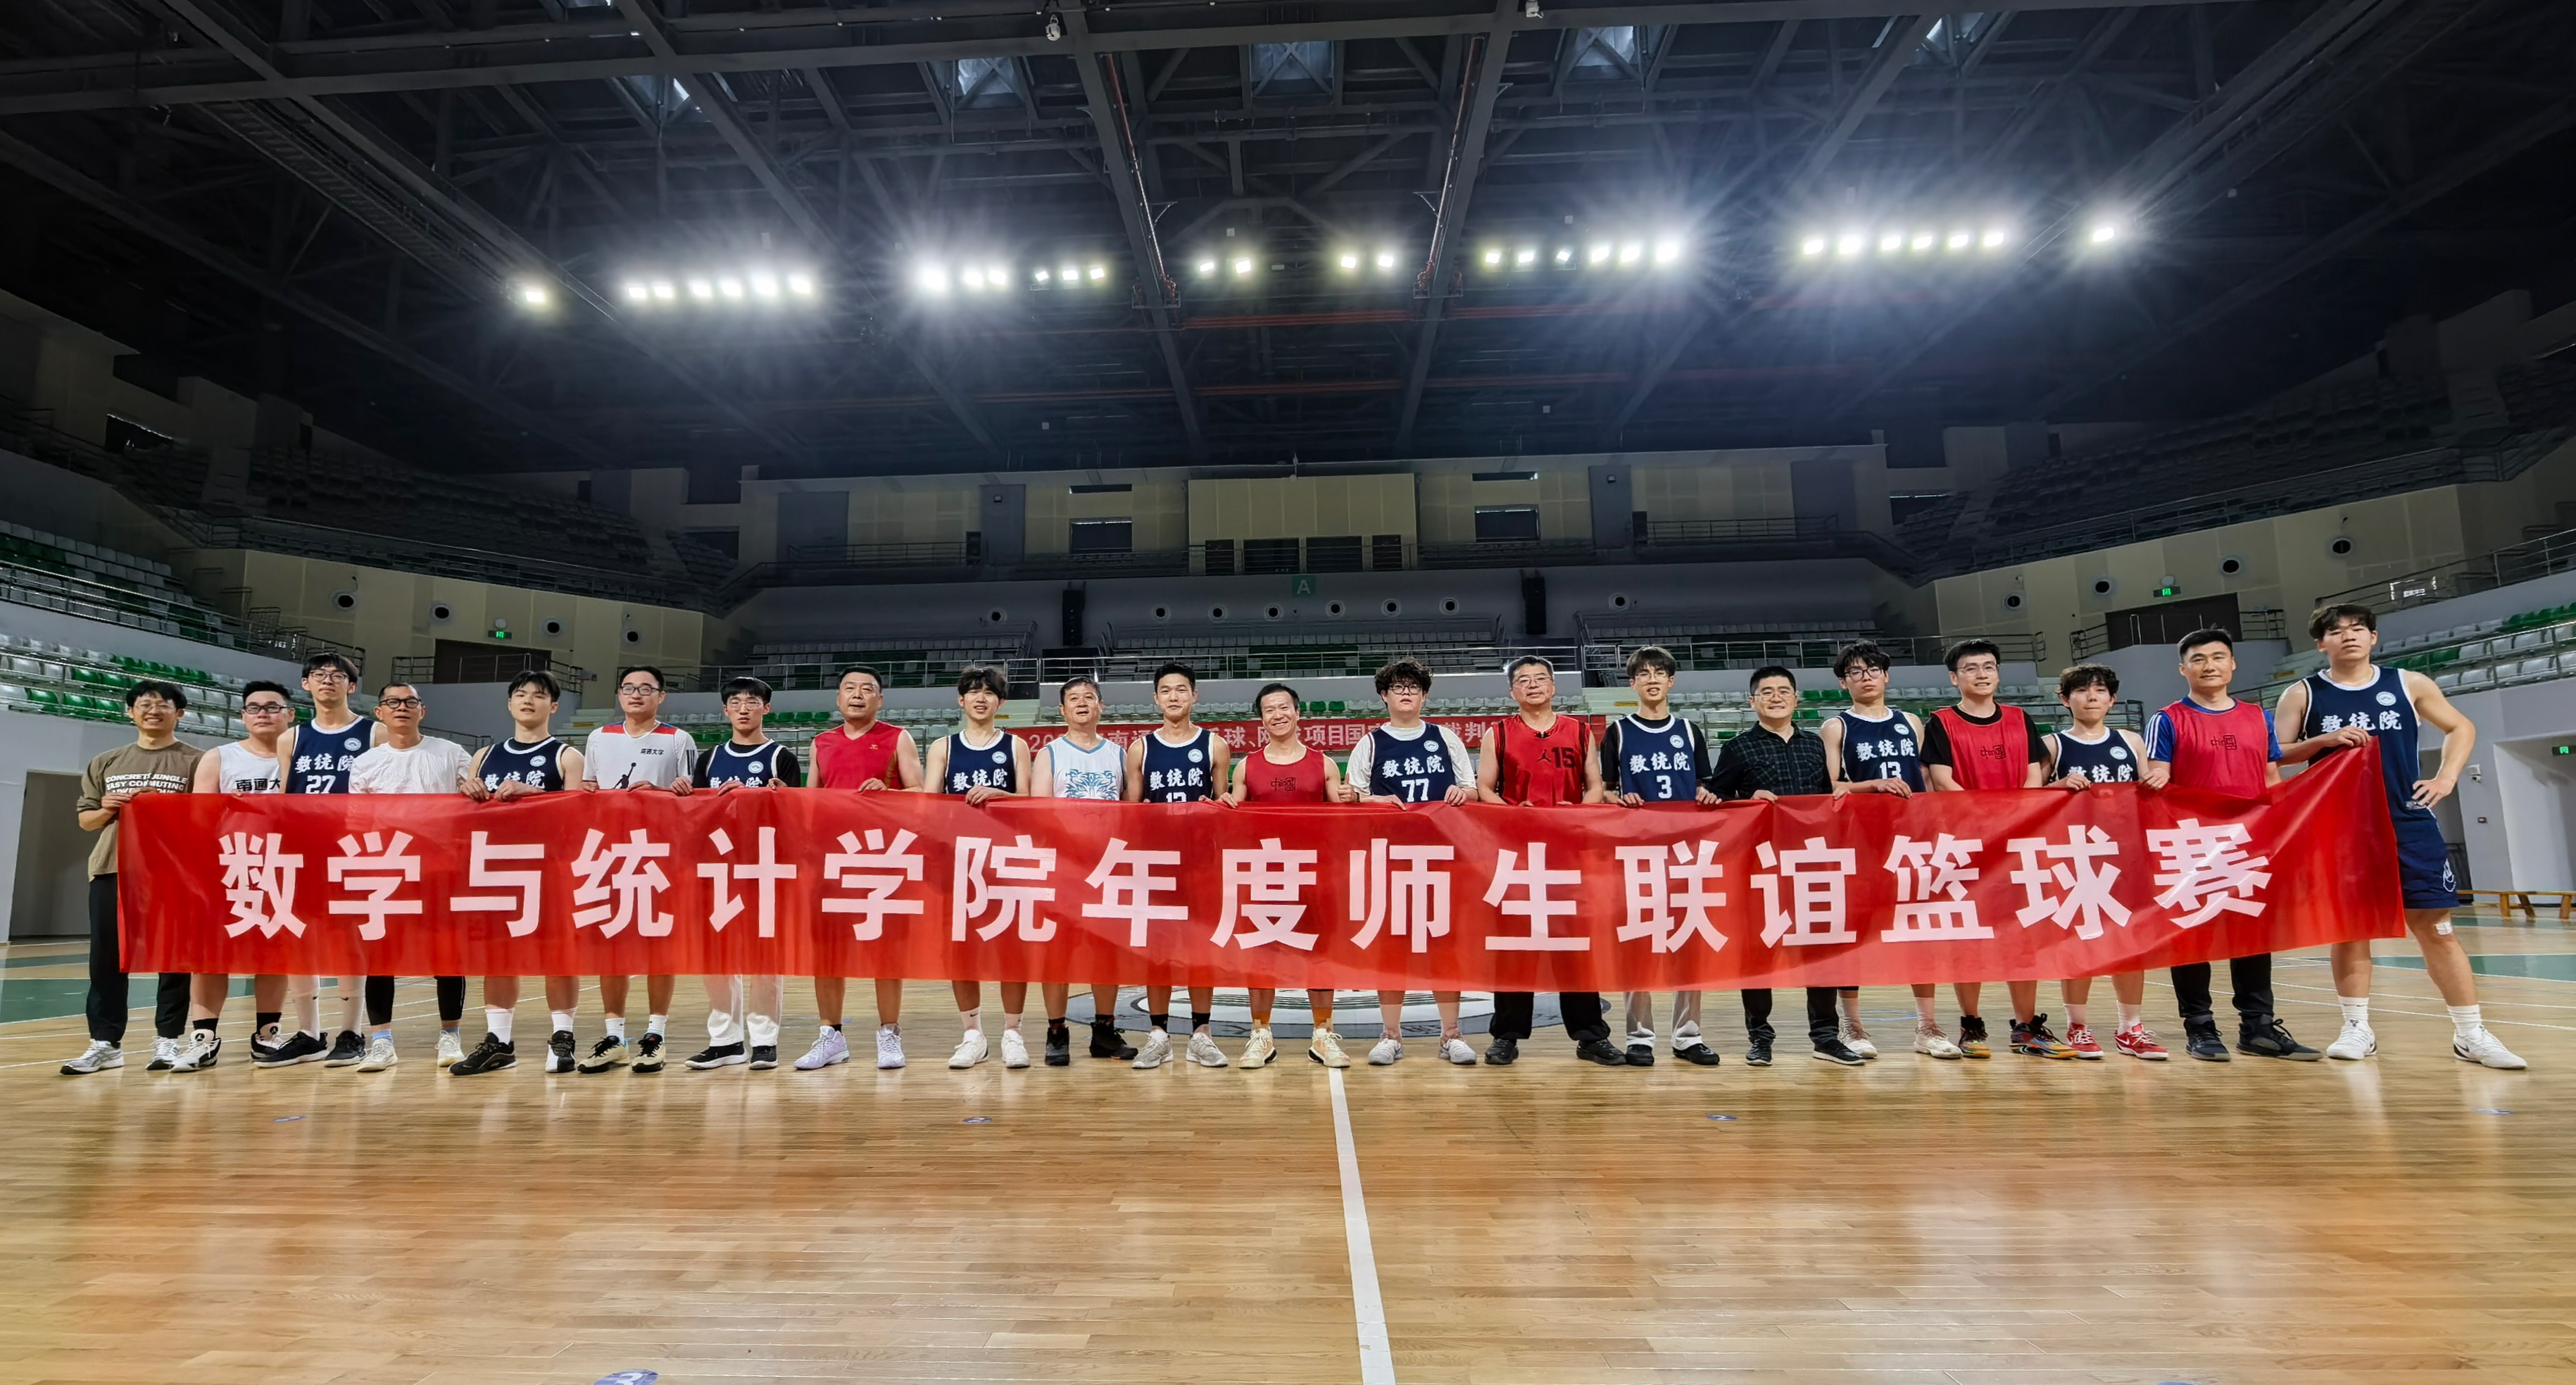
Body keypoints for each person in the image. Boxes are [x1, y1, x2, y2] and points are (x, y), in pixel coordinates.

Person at [2275, 605, 2523, 1070]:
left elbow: (2461, 726)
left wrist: (2447, 777)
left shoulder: (2409, 684)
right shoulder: (2302, 693)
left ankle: (2470, 1033)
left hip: (2406, 821)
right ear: (2321, 644)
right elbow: (2276, 753)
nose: (2348, 636)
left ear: (2373, 637)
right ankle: (2357, 1027)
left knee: (2436, 927)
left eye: (2357, 629)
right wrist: (2321, 742)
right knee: (2350, 929)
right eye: (2336, 631)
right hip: (2340, 826)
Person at [2142, 629, 2317, 1063]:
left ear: (2233, 664)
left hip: (2248, 842)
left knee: (2253, 934)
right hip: (2191, 845)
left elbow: (2271, 777)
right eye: (2199, 659)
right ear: (2183, 669)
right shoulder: (2167, 719)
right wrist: (2154, 780)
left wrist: (2279, 830)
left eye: (2218, 657)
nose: (2210, 666)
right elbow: (2158, 777)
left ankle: (2258, 1027)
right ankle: (2200, 1027)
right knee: (2192, 936)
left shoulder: (2257, 717)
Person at [1705, 666, 1866, 1067]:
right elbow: (1714, 802)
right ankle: (1760, 1038)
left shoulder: (1816, 746)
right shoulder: (1738, 748)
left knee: (1821, 949)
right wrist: (1747, 801)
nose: (1775, 697)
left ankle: (1825, 1037)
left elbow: (1834, 795)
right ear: (1752, 701)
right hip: (1760, 865)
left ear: (1796, 699)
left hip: (1813, 863)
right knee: (1759, 952)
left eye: (1783, 691)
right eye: (1766, 692)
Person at [1921, 639, 2071, 1060]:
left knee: (2023, 935)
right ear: (1954, 678)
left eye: (1988, 666)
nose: (1981, 674)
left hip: (2018, 843)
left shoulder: (2021, 719)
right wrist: (1987, 822)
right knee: (1969, 936)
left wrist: (2013, 820)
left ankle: (2027, 1027)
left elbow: (2033, 777)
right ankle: (1971, 1024)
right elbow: (1943, 781)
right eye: (1970, 668)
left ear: (1998, 673)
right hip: (1967, 845)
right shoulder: (1941, 722)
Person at [1475, 655, 1623, 1069]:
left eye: (1541, 678)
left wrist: (1577, 814)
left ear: (1554, 687)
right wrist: (1514, 813)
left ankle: (1590, 1036)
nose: (1533, 685)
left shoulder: (1579, 731)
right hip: (1517, 854)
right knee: (1515, 947)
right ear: (1513, 692)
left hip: (1569, 853)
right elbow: (1485, 789)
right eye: (1523, 680)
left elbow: (1595, 786)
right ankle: (1506, 1035)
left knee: (1575, 946)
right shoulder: (1497, 733)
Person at [60, 681, 203, 1076]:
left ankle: (168, 1041)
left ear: (180, 713)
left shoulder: (197, 761)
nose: (153, 710)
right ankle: (106, 1044)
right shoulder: (106, 761)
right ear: (130, 712)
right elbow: (87, 821)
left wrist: (165, 806)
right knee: (106, 959)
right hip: (112, 867)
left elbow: (207, 819)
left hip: (173, 872)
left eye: (163, 705)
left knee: (173, 958)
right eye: (144, 704)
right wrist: (108, 808)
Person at [1341, 658, 1478, 1067]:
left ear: (1424, 696)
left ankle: (1451, 1035)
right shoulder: (1370, 743)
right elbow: (1352, 798)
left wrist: (1462, 794)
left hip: (1441, 855)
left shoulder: (1445, 737)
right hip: (1390, 857)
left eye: (1413, 687)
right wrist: (1374, 800)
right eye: (1398, 687)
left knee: (1443, 945)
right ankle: (1391, 1035)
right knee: (1392, 946)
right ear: (1384, 696)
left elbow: (1471, 789)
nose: (1406, 693)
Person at [168, 680, 305, 1074]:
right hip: (229, 865)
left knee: (275, 953)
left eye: (272, 707)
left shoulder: (302, 759)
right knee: (211, 955)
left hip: (285, 866)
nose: (263, 714)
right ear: (243, 716)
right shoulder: (220, 757)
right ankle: (204, 1037)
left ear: (290, 714)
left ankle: (268, 1033)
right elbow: (200, 817)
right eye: (254, 708)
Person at [452, 670, 584, 1077]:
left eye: (539, 695)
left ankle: (563, 1036)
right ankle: (499, 1041)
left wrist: (537, 795)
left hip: (550, 867)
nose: (529, 700)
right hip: (496, 865)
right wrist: (467, 794)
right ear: (509, 703)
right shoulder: (484, 756)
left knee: (558, 955)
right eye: (521, 694)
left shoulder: (567, 756)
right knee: (497, 955)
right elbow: (467, 816)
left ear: (554, 706)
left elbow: (578, 816)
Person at [1820, 640, 1944, 1059]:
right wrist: (1873, 785)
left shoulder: (1911, 721)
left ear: (1886, 676)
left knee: (1918, 931)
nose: (1866, 676)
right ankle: (1853, 1026)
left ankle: (1927, 1026)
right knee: (1853, 931)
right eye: (1855, 671)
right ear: (1844, 682)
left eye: (1873, 669)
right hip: (1861, 840)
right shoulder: (1837, 726)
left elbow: (1926, 780)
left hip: (1912, 840)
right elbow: (1830, 785)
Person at [1599, 646, 1722, 1067]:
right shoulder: (1618, 731)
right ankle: (1639, 1036)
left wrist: (1706, 794)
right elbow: (1605, 792)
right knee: (1639, 942)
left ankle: (1688, 1036)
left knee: (1688, 940)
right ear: (1632, 683)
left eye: (1659, 673)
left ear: (1671, 681)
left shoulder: (1689, 730)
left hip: (1686, 851)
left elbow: (1705, 785)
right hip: (1636, 851)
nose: (1652, 679)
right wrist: (1619, 799)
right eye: (1644, 674)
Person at [341, 683, 475, 1072]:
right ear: (379, 712)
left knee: (447, 954)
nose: (402, 707)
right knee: (380, 956)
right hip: (386, 868)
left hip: (440, 868)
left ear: (422, 710)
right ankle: (381, 1041)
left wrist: (473, 787)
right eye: (393, 702)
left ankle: (450, 1035)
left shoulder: (451, 753)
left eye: (410, 702)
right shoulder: (366, 763)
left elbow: (476, 795)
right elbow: (356, 822)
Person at [799, 664, 923, 1071]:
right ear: (838, 698)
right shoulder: (821, 742)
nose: (857, 694)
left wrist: (889, 793)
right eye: (849, 688)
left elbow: (921, 793)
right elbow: (810, 802)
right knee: (828, 950)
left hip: (880, 856)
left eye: (867, 689)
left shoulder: (897, 737)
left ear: (880, 700)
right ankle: (830, 1035)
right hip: (832, 858)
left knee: (885, 950)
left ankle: (889, 1033)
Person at [577, 665, 697, 1074]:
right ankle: (614, 1037)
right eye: (629, 687)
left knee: (658, 945)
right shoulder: (599, 737)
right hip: (608, 853)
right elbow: (588, 789)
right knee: (612, 944)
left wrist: (662, 793)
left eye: (646, 689)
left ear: (661, 696)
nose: (636, 694)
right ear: (619, 694)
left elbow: (692, 799)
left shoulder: (678, 739)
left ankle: (655, 1035)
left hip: (660, 855)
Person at [2041, 664, 2164, 1060]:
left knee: (2130, 943)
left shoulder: (2131, 740)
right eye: (2081, 690)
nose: (2091, 696)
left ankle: (2131, 1027)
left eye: (2099, 690)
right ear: (2065, 699)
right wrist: (2057, 786)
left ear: (2112, 699)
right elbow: (2028, 798)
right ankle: (2077, 1026)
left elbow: (2147, 787)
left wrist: (2156, 780)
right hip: (2075, 856)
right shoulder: (2053, 745)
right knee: (2080, 943)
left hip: (2125, 854)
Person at [1226, 682, 1350, 1069]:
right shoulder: (1246, 766)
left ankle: (1323, 1033)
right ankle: (1260, 1033)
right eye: (1269, 710)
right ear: (1261, 719)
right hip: (1264, 873)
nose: (1277, 715)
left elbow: (1344, 820)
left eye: (1284, 708)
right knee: (1262, 955)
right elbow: (1233, 819)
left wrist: (1353, 799)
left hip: (1313, 873)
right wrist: (1224, 806)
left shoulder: (1324, 764)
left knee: (1320, 954)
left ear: (1298, 713)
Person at [274, 651, 384, 1067]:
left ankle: (352, 1032)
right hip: (303, 849)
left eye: (337, 675)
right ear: (305, 684)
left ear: (351, 686)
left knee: (349, 938)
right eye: (318, 674)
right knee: (298, 936)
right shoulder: (291, 738)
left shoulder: (375, 733)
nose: (327, 680)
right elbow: (285, 797)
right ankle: (308, 1033)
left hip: (354, 848)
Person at [686, 676, 800, 1073]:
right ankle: (725, 1041)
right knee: (716, 955)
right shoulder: (710, 759)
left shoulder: (781, 756)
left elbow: (795, 816)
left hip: (765, 866)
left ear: (766, 708)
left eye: (752, 701)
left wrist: (772, 796)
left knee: (765, 955)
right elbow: (698, 815)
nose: (743, 708)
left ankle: (765, 1041)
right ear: (725, 710)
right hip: (718, 865)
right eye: (735, 702)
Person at [926, 664, 1038, 1071]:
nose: (980, 698)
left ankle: (1013, 1032)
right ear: (961, 700)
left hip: (1006, 858)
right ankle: (972, 1034)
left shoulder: (1015, 746)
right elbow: (928, 806)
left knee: (1011, 947)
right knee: (962, 949)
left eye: (988, 692)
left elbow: (1029, 801)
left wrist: (998, 795)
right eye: (973, 691)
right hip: (958, 859)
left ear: (1000, 702)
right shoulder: (943, 747)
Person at [1124, 662, 1231, 1070]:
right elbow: (1132, 810)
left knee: (1200, 948)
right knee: (1159, 951)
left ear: (1194, 696)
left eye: (1182, 689)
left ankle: (1202, 1033)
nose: (1174, 696)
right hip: (1156, 862)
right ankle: (1158, 1034)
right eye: (1166, 690)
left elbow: (1223, 806)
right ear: (1156, 699)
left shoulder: (1214, 745)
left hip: (1201, 862)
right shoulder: (1141, 748)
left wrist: (1214, 808)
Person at [1026, 675, 1137, 1066]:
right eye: (1073, 698)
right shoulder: (1050, 754)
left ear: (1101, 706)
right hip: (1063, 867)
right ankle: (1056, 1031)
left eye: (1089, 697)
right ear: (1062, 709)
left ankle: (1104, 1031)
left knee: (1106, 951)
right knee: (1057, 951)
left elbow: (1132, 809)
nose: (1082, 703)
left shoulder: (1119, 754)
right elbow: (1039, 814)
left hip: (1107, 866)